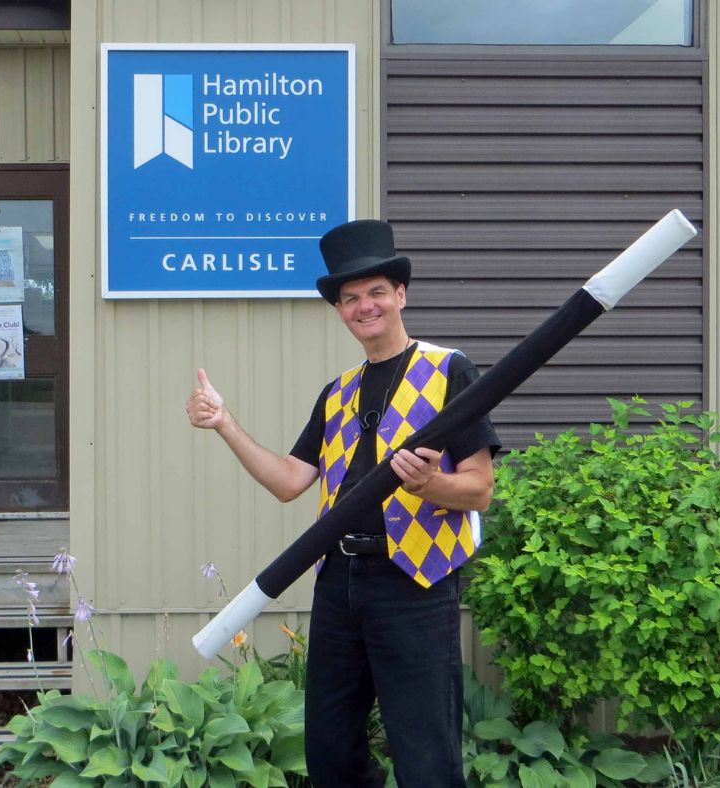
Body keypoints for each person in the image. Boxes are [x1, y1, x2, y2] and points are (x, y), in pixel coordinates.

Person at [186, 219, 500, 788]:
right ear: (340, 310)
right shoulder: (338, 393)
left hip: (416, 583)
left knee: (427, 758)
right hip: (340, 582)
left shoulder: (449, 371)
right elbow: (289, 481)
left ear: (400, 294)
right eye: (350, 298)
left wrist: (431, 486)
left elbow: (479, 487)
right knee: (330, 753)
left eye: (376, 291)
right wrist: (226, 425)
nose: (364, 306)